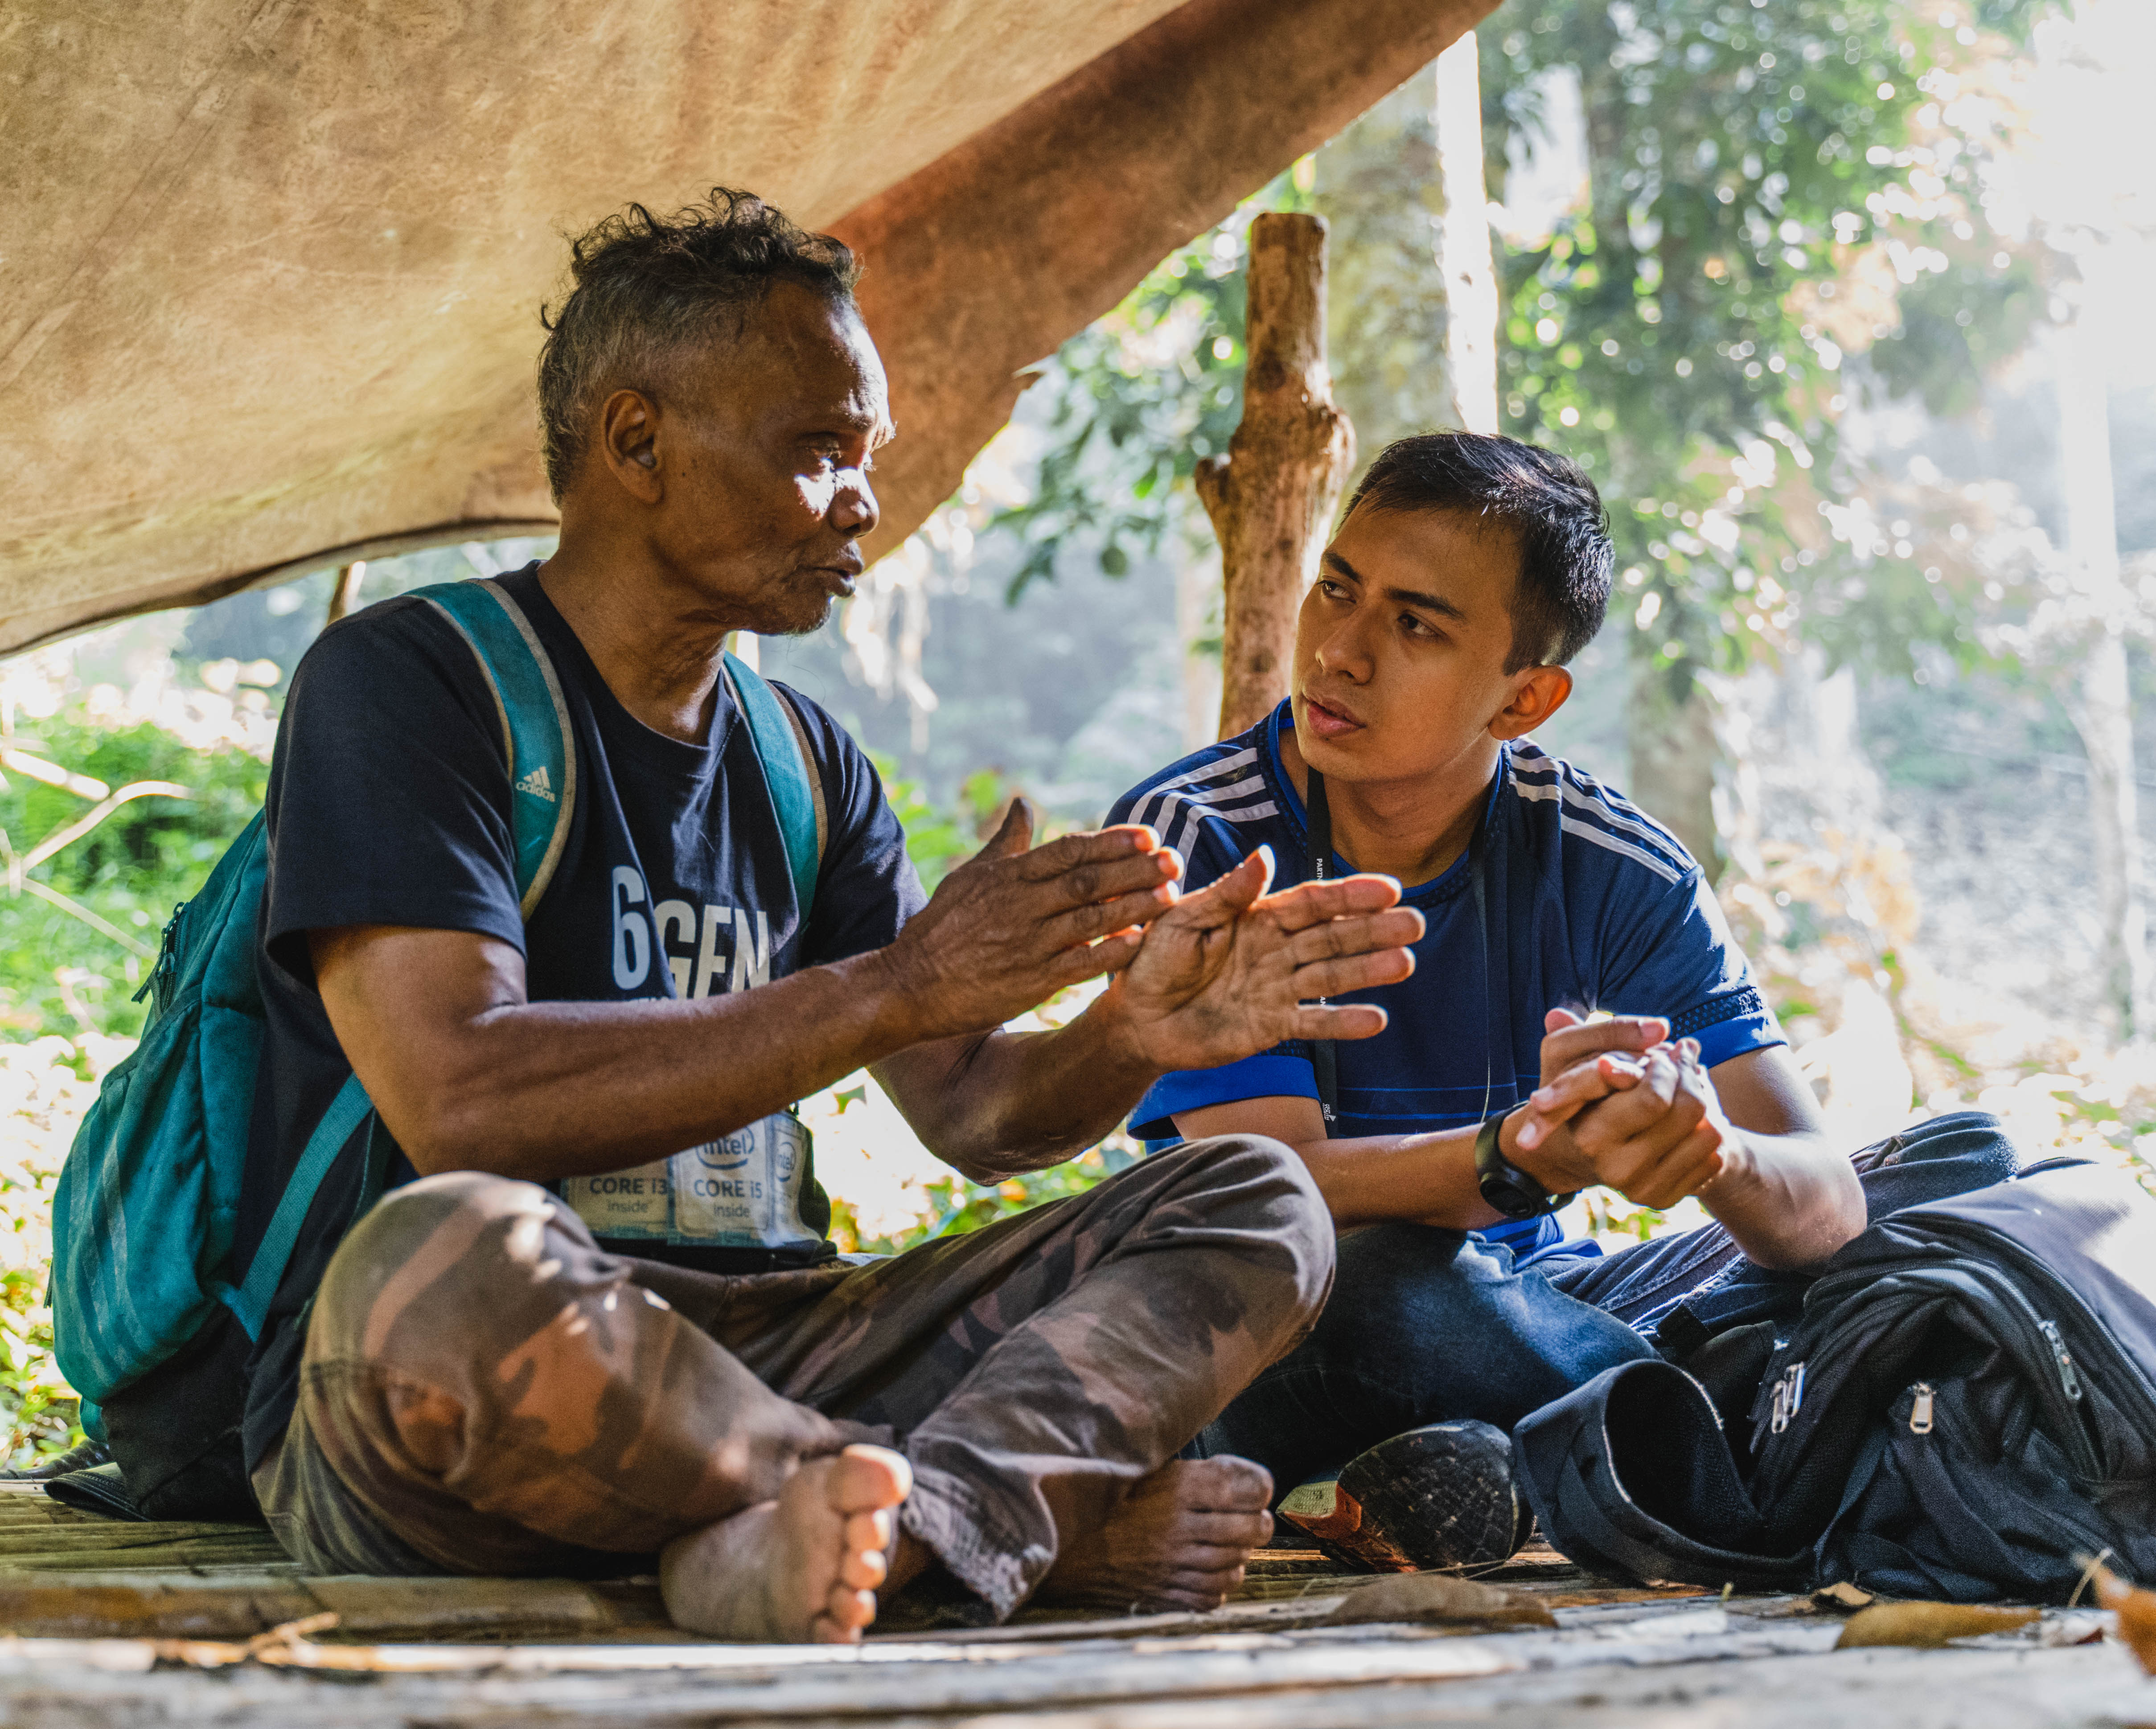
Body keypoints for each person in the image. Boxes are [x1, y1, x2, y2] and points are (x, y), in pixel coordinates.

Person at [101, 190, 1428, 1643]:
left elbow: (978, 1116)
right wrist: (891, 987)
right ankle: (992, 1529)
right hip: (465, 1381)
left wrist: (1132, 1035)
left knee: (1257, 1199)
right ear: (636, 444)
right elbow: (459, 1098)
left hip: (781, 1358)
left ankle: (847, 1531)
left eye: (866, 457)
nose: (862, 500)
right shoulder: (412, 687)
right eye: (817, 452)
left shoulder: (807, 767)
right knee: (447, 1268)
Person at [1108, 431, 2016, 1568]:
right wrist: (1521, 1155)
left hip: (1537, 1309)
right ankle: (1731, 1460)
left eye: (1415, 624)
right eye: (1337, 589)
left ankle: (1520, 1456)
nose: (1339, 650)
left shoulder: (1614, 863)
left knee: (1958, 1163)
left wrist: (1707, 1151)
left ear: (1525, 698)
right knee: (1383, 1279)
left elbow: (1824, 1205)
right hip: (1261, 1328)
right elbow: (1272, 1192)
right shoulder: (1205, 840)